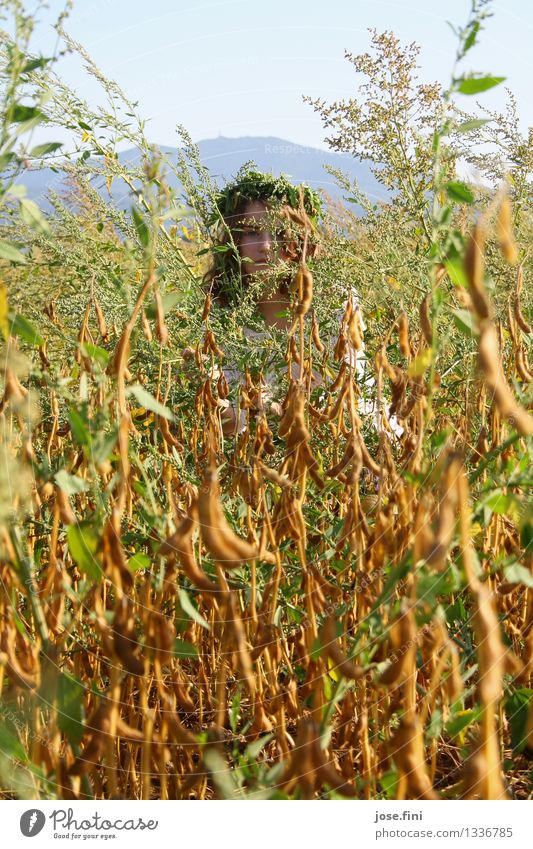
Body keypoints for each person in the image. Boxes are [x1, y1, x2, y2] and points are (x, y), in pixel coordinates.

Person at [201, 165, 402, 438]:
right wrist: (211, 395)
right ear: (232, 240)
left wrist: (272, 408)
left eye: (280, 233)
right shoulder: (221, 313)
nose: (266, 246)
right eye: (252, 232)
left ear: (300, 239)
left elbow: (347, 395)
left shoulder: (332, 302)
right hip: (259, 457)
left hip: (349, 446)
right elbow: (226, 424)